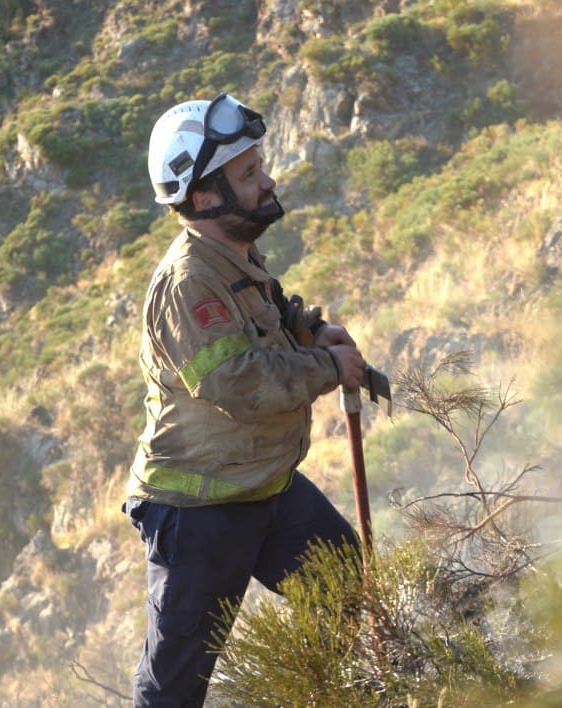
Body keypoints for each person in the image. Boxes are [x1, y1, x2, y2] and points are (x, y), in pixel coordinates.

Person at [123, 93, 367, 706]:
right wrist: (324, 366)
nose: (268, 181)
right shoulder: (188, 282)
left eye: (260, 166)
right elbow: (237, 382)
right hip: (199, 510)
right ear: (204, 196)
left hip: (264, 485)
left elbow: (261, 321)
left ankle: (319, 695)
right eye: (249, 173)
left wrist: (308, 332)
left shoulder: (235, 255)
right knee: (175, 685)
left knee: (344, 584)